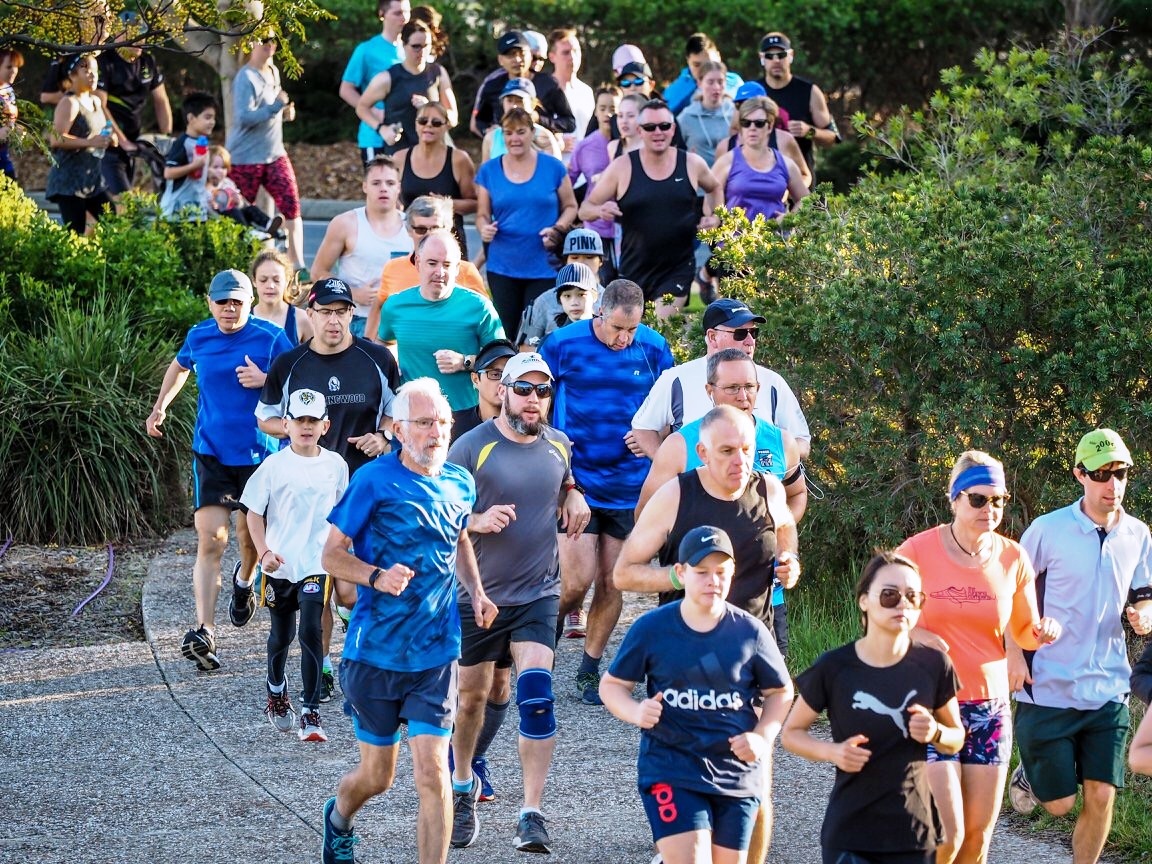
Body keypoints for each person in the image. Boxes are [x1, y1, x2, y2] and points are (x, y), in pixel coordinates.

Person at [319, 377, 497, 864]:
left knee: (433, 773)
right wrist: (375, 576)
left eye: (441, 422)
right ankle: (338, 817)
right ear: (398, 429)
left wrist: (476, 592)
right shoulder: (373, 481)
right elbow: (331, 554)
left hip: (436, 652)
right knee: (377, 776)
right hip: (375, 651)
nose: (436, 432)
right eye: (423, 423)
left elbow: (458, 535)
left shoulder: (460, 481)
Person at [614, 405, 798, 864]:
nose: (740, 462)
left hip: (750, 648)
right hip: (686, 652)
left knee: (757, 783)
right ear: (701, 453)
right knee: (687, 771)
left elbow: (787, 531)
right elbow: (624, 573)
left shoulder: (769, 489)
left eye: (748, 452)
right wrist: (686, 579)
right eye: (728, 452)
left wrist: (789, 564)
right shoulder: (677, 494)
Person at [446, 352, 590, 853]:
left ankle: (531, 812)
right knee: (473, 700)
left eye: (542, 391)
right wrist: (475, 520)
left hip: (538, 592)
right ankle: (461, 785)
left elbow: (565, 482)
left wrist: (575, 495)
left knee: (534, 694)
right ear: (502, 391)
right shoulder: (470, 447)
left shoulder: (558, 444)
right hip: (477, 594)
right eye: (524, 390)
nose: (534, 400)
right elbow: (435, 514)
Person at [895, 450, 1062, 864]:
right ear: (954, 499)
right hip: (932, 705)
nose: (990, 508)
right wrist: (916, 632)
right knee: (945, 835)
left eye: (999, 500)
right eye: (978, 499)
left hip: (990, 708)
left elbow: (1024, 630)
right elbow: (878, 618)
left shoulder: (1012, 557)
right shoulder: (916, 551)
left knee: (977, 837)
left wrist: (1043, 633)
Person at [601, 525, 793, 864]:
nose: (712, 581)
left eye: (721, 572)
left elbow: (780, 691)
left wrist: (763, 737)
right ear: (680, 573)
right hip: (671, 767)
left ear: (733, 574)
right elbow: (612, 686)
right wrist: (636, 711)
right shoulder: (653, 628)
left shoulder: (751, 632)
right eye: (701, 572)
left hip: (734, 774)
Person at [1007, 429, 1152, 864]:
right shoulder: (1048, 530)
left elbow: (1145, 596)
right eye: (1102, 474)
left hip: (1108, 687)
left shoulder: (1139, 534)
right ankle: (1034, 775)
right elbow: (1008, 593)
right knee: (1059, 805)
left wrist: (1145, 615)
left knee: (1102, 794)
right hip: (1046, 686)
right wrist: (1013, 654)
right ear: (1079, 474)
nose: (1113, 485)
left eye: (1121, 474)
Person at [255, 276, 401, 701]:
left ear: (352, 315)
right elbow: (264, 415)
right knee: (313, 590)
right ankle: (323, 670)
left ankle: (364, 658)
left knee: (355, 589)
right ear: (310, 315)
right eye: (325, 312)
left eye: (342, 312)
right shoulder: (290, 363)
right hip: (309, 492)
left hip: (365, 488)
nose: (334, 321)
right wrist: (296, 432)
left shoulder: (376, 358)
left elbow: (396, 411)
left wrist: (385, 437)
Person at [145, 269, 293, 670]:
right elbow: (179, 368)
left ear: (249, 303)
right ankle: (205, 631)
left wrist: (265, 380)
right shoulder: (199, 336)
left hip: (259, 457)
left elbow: (298, 381)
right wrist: (161, 406)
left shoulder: (271, 338)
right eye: (222, 301)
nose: (230, 309)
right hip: (210, 454)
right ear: (210, 303)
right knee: (212, 539)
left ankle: (244, 583)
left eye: (237, 302)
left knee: (248, 539)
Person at [539, 279, 675, 704]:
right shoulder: (561, 345)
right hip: (575, 481)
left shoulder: (653, 347)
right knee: (574, 581)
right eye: (617, 328)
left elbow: (670, 415)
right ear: (598, 313)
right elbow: (538, 407)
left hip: (630, 488)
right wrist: (561, 476)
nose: (624, 339)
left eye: (632, 330)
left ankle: (589, 669)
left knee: (613, 581)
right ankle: (537, 657)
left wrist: (652, 442)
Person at [781, 550, 964, 864]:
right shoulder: (835, 666)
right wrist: (833, 752)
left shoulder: (934, 664)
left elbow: (956, 737)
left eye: (913, 596)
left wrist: (935, 732)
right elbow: (791, 733)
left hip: (913, 832)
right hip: (850, 835)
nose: (903, 604)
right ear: (864, 600)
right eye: (890, 595)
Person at [241, 388, 348, 742]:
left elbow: (342, 517)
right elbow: (253, 513)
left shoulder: (336, 465)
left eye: (312, 421)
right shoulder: (273, 465)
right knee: (281, 637)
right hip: (279, 565)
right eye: (299, 420)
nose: (305, 426)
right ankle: (276, 688)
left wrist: (343, 556)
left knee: (311, 632)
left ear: (325, 425)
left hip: (316, 562)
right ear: (285, 424)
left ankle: (310, 710)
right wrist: (263, 552)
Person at [579, 99, 720, 318]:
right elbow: (585, 209)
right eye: (650, 127)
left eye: (664, 126)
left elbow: (715, 187)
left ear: (673, 129)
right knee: (634, 336)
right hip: (634, 270)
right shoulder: (622, 166)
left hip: (678, 268)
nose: (658, 132)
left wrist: (715, 216)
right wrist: (599, 211)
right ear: (639, 130)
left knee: (662, 326)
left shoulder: (692, 164)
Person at [637, 349, 806, 522]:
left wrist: (778, 532)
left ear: (758, 388)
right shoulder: (679, 445)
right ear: (710, 391)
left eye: (749, 387)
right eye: (732, 388)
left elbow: (797, 494)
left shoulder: (782, 442)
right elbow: (645, 511)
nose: (742, 396)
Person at [631, 298, 811, 460]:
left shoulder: (773, 382)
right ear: (712, 337)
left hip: (757, 492)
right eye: (740, 334)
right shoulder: (676, 379)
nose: (750, 341)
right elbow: (643, 427)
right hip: (696, 493)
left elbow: (801, 441)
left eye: (753, 333)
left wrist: (773, 466)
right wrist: (671, 468)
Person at [378, 229, 505, 411]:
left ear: (457, 269)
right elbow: (383, 344)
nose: (440, 272)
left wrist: (464, 362)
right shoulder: (395, 306)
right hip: (413, 415)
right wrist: (393, 364)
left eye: (447, 265)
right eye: (432, 263)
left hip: (467, 414)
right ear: (418, 264)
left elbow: (503, 362)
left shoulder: (479, 307)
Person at [476, 106, 577, 335]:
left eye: (521, 131)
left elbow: (571, 206)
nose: (514, 138)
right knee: (506, 331)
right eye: (508, 133)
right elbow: (481, 213)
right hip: (503, 264)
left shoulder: (553, 166)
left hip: (544, 263)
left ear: (532, 133)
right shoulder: (490, 170)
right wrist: (484, 228)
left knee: (535, 332)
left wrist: (557, 229)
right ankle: (504, 372)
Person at [226, 33, 306, 269]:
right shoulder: (245, 77)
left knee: (291, 204)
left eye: (274, 40)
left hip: (274, 154)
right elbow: (243, 118)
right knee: (238, 212)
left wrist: (284, 114)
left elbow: (271, 112)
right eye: (264, 39)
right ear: (252, 43)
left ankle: (298, 265)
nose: (271, 44)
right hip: (245, 157)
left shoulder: (273, 71)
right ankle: (238, 262)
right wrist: (275, 107)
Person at [311, 155, 413, 337]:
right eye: (376, 183)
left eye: (390, 183)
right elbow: (318, 272)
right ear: (365, 186)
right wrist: (353, 293)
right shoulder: (345, 223)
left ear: (398, 187)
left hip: (403, 320)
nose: (383, 188)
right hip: (357, 320)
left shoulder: (414, 227)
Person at [364, 194, 487, 343]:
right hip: (404, 357)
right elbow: (379, 307)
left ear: (447, 229)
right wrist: (368, 348)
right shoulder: (393, 268)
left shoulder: (466, 271)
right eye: (421, 229)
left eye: (435, 228)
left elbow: (484, 321)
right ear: (409, 230)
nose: (429, 235)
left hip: (452, 357)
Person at [95, 9, 173, 201]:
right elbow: (100, 105)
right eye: (133, 35)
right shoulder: (106, 61)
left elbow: (161, 100)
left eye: (142, 34)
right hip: (110, 143)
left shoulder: (147, 61)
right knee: (123, 201)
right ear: (119, 35)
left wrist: (167, 138)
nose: (140, 40)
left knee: (119, 204)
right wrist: (123, 141)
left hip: (133, 138)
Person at [354, 19, 457, 154]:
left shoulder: (438, 73)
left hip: (433, 155)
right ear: (403, 45)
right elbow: (361, 107)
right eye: (416, 46)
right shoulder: (388, 77)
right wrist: (381, 129)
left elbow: (453, 118)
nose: (422, 52)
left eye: (426, 46)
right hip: (399, 156)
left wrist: (429, 108)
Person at [395, 101, 478, 256]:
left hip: (448, 244)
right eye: (423, 121)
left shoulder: (459, 159)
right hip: (410, 243)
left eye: (436, 122)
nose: (428, 126)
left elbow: (475, 203)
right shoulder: (399, 158)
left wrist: (446, 204)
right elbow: (393, 199)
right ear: (416, 124)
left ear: (446, 126)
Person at [46, 53, 115, 234]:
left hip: (93, 180)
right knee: (74, 234)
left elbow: (102, 130)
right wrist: (89, 142)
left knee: (113, 221)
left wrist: (110, 138)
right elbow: (56, 139)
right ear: (73, 75)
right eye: (87, 71)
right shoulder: (69, 102)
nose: (93, 76)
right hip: (69, 183)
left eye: (95, 71)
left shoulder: (96, 101)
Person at [756, 32, 840, 182]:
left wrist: (809, 132)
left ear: (791, 55)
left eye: (781, 55)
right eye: (769, 56)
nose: (776, 60)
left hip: (801, 180)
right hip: (762, 181)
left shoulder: (809, 91)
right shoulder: (754, 92)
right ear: (762, 58)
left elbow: (832, 138)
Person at [711, 95, 808, 222]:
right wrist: (715, 218)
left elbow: (806, 200)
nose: (752, 128)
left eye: (759, 123)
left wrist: (790, 219)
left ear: (770, 125)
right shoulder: (726, 161)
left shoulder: (786, 164)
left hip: (775, 238)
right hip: (735, 239)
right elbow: (710, 196)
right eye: (746, 123)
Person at [340, 0, 411, 163]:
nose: (404, 18)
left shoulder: (412, 50)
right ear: (382, 15)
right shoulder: (366, 50)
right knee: (380, 188)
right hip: (375, 137)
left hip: (408, 136)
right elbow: (346, 89)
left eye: (407, 12)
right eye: (398, 13)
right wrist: (371, 110)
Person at [471, 30, 575, 139]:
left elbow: (569, 122)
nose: (517, 59)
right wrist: (488, 131)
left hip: (539, 149)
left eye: (522, 53)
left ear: (530, 55)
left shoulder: (548, 83)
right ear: (500, 60)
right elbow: (480, 120)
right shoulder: (492, 86)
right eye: (510, 55)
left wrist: (539, 119)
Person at [567, 85, 621, 275]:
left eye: (613, 109)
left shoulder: (631, 144)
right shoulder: (585, 146)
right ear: (595, 111)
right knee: (603, 281)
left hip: (625, 225)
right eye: (603, 108)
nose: (608, 114)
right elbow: (568, 182)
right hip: (596, 225)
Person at [713, 82, 810, 189]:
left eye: (753, 103)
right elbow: (716, 189)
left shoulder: (784, 139)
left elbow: (805, 176)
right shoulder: (726, 145)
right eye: (740, 104)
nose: (748, 108)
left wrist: (788, 190)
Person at [159, 90, 218, 219]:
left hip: (197, 210)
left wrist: (209, 174)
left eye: (213, 118)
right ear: (191, 118)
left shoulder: (203, 143)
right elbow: (168, 173)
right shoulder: (182, 143)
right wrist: (193, 166)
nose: (212, 122)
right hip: (177, 212)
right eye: (207, 117)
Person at [516, 262, 600, 351]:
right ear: (560, 300)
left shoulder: (606, 332)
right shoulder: (551, 340)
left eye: (581, 295)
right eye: (567, 296)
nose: (574, 302)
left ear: (595, 296)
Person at [204, 144, 284, 235]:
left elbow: (242, 204)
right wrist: (212, 206)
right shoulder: (204, 189)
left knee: (251, 209)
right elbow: (206, 209)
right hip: (223, 220)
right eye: (215, 167)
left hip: (238, 217)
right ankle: (250, 234)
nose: (220, 171)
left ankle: (268, 225)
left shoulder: (227, 183)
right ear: (206, 168)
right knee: (234, 212)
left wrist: (238, 201)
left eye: (223, 168)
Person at [479, 78, 562, 163]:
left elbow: (556, 172)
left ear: (532, 104)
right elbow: (485, 173)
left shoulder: (544, 136)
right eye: (509, 101)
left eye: (519, 101)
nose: (514, 106)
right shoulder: (492, 138)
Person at [449, 338, 517, 441]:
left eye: (510, 375)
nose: (503, 382)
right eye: (495, 374)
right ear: (475, 379)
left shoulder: (529, 427)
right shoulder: (452, 425)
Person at [663, 32, 746, 116]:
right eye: (697, 65)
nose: (704, 70)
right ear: (688, 61)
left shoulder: (735, 83)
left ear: (718, 56)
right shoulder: (675, 91)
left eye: (709, 64)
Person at [676, 60, 735, 167]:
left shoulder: (734, 114)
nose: (716, 87)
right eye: (710, 82)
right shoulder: (686, 116)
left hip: (730, 179)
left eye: (720, 82)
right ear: (699, 83)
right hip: (699, 181)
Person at [547, 28, 594, 160]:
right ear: (552, 57)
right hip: (555, 170)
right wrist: (556, 143)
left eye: (575, 51)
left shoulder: (586, 92)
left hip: (583, 174)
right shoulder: (543, 91)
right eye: (566, 53)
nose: (572, 57)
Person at [249, 249, 313, 346]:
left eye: (276, 280)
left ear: (287, 280)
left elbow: (318, 358)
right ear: (254, 281)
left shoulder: (302, 319)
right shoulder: (243, 319)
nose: (270, 285)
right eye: (263, 280)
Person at [0, 48, 24, 181]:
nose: (14, 70)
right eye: (9, 66)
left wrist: (14, 127)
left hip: (4, 155)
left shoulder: (8, 90)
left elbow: (12, 116)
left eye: (16, 66)